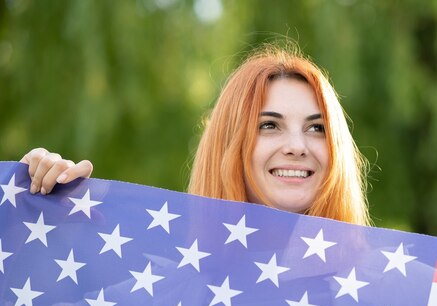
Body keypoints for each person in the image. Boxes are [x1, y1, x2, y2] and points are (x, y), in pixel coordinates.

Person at [21, 44, 370, 226]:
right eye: (269, 125)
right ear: (229, 147)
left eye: (316, 128)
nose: (297, 146)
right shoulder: (165, 296)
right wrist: (24, 206)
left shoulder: (394, 296)